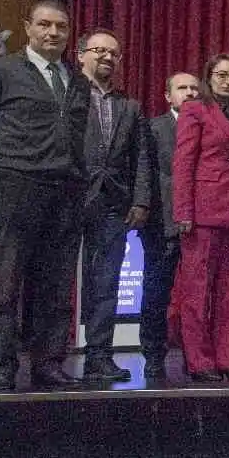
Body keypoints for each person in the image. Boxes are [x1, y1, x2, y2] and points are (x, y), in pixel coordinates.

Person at [0, 0, 91, 391]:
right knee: (6, 283)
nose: (52, 33)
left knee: (56, 285)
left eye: (60, 27)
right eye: (44, 25)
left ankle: (48, 364)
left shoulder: (77, 80)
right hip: (15, 186)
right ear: (27, 27)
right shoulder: (0, 72)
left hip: (64, 192)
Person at [74, 29, 153, 383]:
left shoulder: (130, 106)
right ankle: (47, 357)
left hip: (113, 204)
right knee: (56, 281)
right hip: (68, 196)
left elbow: (141, 158)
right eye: (98, 50)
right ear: (80, 55)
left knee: (106, 281)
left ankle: (99, 357)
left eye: (113, 53)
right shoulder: (66, 94)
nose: (106, 57)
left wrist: (140, 200)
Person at [173, 52, 229, 382]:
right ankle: (199, 360)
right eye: (222, 75)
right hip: (203, 210)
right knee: (196, 290)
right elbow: (183, 164)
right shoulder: (195, 110)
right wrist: (183, 211)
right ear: (209, 78)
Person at [140, 72, 199, 379]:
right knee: (156, 291)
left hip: (201, 225)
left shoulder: (207, 127)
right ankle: (152, 353)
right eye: (182, 88)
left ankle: (196, 355)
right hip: (161, 223)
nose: (189, 93)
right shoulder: (153, 128)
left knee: (197, 295)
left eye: (194, 88)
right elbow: (145, 174)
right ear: (168, 95)